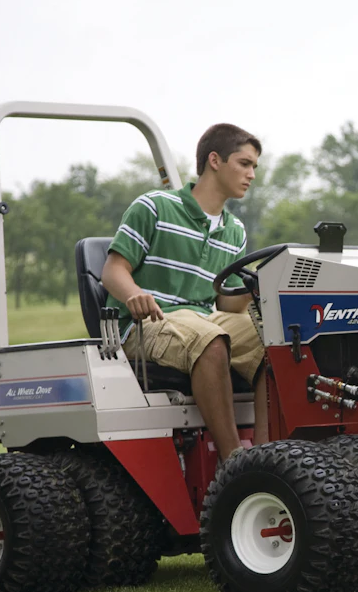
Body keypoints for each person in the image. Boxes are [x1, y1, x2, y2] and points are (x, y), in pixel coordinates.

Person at [102, 123, 265, 461]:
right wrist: (133, 294)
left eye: (254, 167)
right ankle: (233, 461)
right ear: (215, 160)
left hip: (205, 318)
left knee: (274, 340)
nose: (251, 174)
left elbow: (228, 305)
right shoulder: (155, 207)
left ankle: (268, 457)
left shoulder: (235, 230)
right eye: (244, 163)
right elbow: (114, 271)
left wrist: (259, 285)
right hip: (148, 323)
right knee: (210, 339)